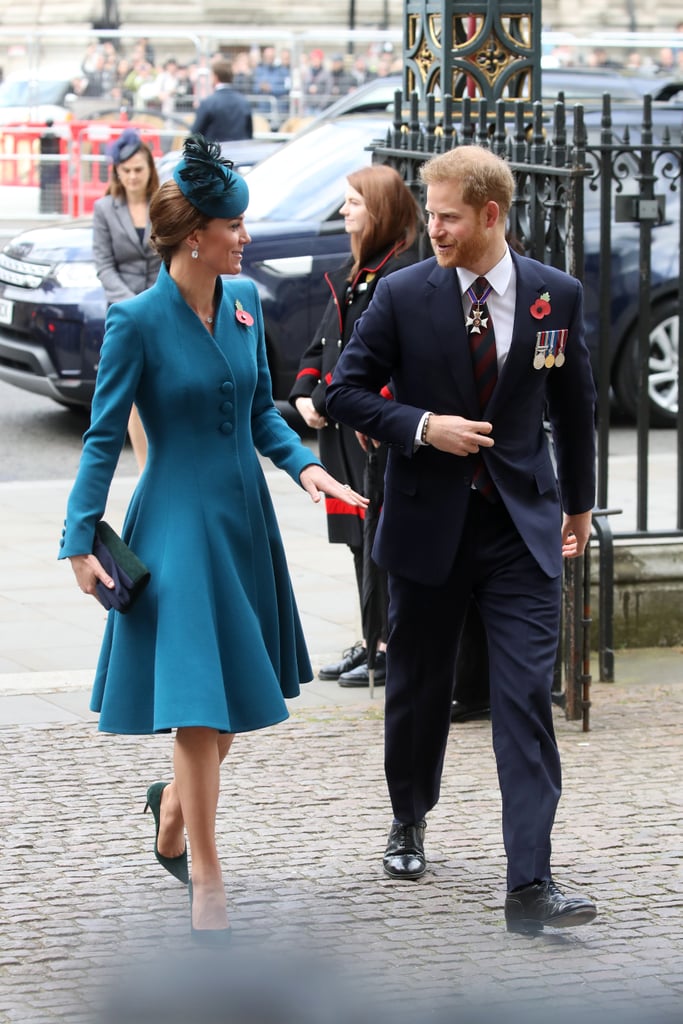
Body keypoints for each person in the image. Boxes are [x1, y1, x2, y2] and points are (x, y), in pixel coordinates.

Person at [59, 134, 367, 944]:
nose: (247, 236)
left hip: (243, 526)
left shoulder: (242, 304)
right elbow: (99, 438)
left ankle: (170, 819)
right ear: (196, 233)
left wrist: (305, 469)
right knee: (197, 708)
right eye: (235, 224)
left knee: (226, 719)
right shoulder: (136, 320)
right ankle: (208, 875)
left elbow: (264, 408)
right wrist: (78, 541)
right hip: (177, 525)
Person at [327, 145, 599, 934]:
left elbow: (575, 406)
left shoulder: (556, 295)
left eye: (446, 216)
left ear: (489, 215)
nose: (432, 228)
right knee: (417, 689)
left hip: (519, 529)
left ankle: (529, 885)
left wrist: (576, 504)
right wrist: (419, 426)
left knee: (523, 700)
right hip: (425, 523)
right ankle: (408, 817)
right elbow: (341, 390)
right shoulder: (404, 295)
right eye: (429, 212)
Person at [289, 164, 420, 688]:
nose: (344, 212)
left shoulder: (397, 273)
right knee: (355, 539)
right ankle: (373, 637)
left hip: (366, 426)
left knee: (377, 540)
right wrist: (304, 393)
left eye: (353, 203)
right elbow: (325, 343)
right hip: (339, 429)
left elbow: (380, 357)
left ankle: (388, 642)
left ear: (381, 210)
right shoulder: (356, 268)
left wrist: (329, 395)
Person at [92, 128, 161, 472]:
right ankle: (145, 466)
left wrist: (157, 300)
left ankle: (166, 459)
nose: (133, 176)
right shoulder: (104, 209)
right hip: (124, 310)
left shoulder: (163, 203)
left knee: (165, 383)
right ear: (116, 172)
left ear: (150, 168)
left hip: (163, 305)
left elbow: (171, 255)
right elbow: (104, 266)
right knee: (133, 392)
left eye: (138, 169)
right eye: (126, 170)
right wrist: (134, 305)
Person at [191, 55, 253, 142]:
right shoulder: (244, 102)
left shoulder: (208, 103)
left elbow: (195, 134)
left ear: (215, 77)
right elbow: (249, 133)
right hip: (239, 153)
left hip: (215, 153)